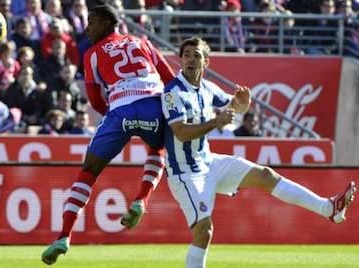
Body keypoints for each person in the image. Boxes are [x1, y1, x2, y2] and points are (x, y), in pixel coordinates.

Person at [160, 36, 356, 268]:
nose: (190, 60)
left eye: (196, 55)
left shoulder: (207, 88)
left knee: (266, 175)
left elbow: (234, 106)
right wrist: (216, 121)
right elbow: (181, 132)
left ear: (206, 63)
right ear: (180, 60)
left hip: (208, 162)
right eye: (186, 55)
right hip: (185, 174)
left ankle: (328, 208)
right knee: (204, 232)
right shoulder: (172, 93)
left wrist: (241, 104)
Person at [41, 4, 175, 265]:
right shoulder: (143, 42)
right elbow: (170, 80)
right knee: (157, 148)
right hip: (152, 104)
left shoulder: (92, 53)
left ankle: (63, 237)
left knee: (88, 172)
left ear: (106, 23)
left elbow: (94, 99)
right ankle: (141, 200)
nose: (87, 28)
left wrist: (116, 116)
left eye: (91, 23)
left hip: (119, 111)